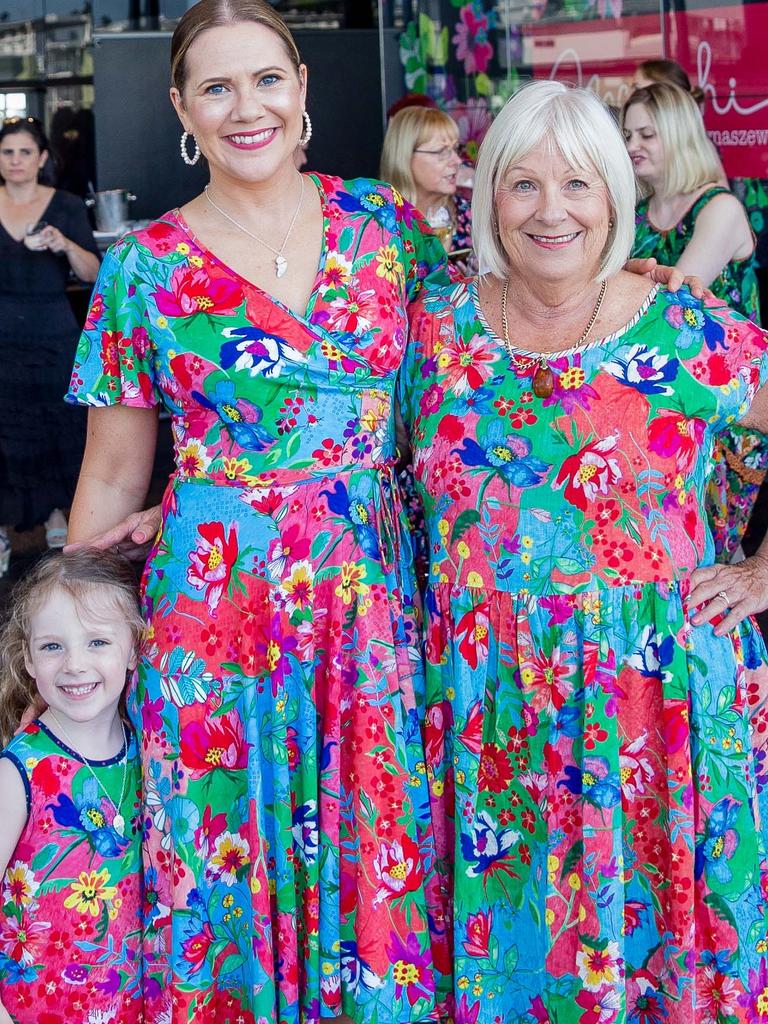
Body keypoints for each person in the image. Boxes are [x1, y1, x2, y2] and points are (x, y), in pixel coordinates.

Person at [64, 1, 454, 1020]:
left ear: (304, 88)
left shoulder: (389, 230)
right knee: (221, 860)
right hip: (213, 613)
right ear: (182, 106)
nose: (249, 108)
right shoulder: (143, 267)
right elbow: (110, 476)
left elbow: (470, 392)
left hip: (371, 608)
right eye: (219, 87)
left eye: (268, 79)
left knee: (379, 847)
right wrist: (72, 640)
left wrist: (627, 287)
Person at [401, 79, 768, 1022]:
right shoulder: (433, 328)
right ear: (487, 200)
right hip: (484, 707)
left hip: (655, 707)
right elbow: (346, 451)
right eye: (522, 185)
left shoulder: (681, 329)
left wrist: (766, 574)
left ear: (614, 195)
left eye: (577, 185)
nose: (551, 210)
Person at [623, 82, 767, 562]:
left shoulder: (719, 208)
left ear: (681, 135)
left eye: (647, 134)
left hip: (726, 412)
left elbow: (678, 304)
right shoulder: (636, 214)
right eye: (627, 135)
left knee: (714, 557)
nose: (632, 146)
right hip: (662, 404)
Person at [0, 549, 143, 1024]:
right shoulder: (19, 771)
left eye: (98, 642)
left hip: (131, 1007)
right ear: (28, 660)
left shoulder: (150, 754)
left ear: (135, 649)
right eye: (53, 646)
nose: (75, 665)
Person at [0, 116, 100, 571]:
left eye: (25, 152)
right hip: (4, 331)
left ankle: (58, 514)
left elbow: (93, 274)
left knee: (60, 425)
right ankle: (6, 527)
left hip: (52, 329)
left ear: (41, 159)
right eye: (8, 152)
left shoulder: (65, 205)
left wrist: (63, 243)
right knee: (7, 430)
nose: (16, 160)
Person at [380, 105, 473, 267]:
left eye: (455, 149)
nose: (457, 161)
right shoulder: (380, 222)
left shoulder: (469, 214)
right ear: (405, 157)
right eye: (442, 151)